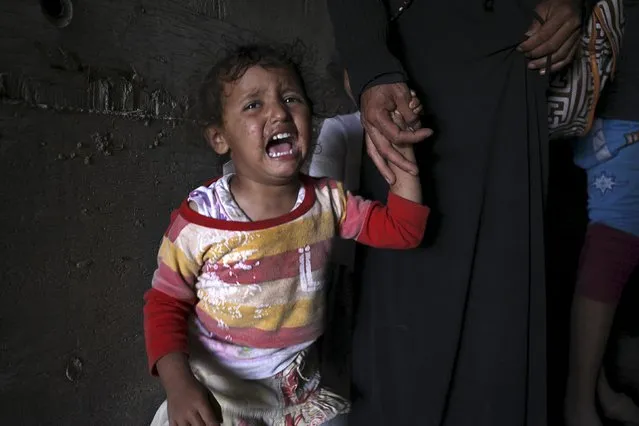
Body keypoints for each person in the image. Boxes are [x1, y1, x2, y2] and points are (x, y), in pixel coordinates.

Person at [143, 44, 430, 426]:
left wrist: (405, 166)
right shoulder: (202, 220)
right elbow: (164, 304)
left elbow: (404, 231)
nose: (279, 112)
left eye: (291, 98)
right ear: (219, 138)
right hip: (218, 396)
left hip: (296, 395)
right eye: (253, 105)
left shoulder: (328, 202)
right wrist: (178, 387)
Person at [327, 0, 582, 424]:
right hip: (418, 66)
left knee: (502, 305)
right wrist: (371, 63)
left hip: (517, 61)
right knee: (412, 296)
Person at [565, 1, 639, 424]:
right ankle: (578, 403)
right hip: (620, 118)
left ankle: (595, 388)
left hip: (618, 115)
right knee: (612, 253)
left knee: (609, 257)